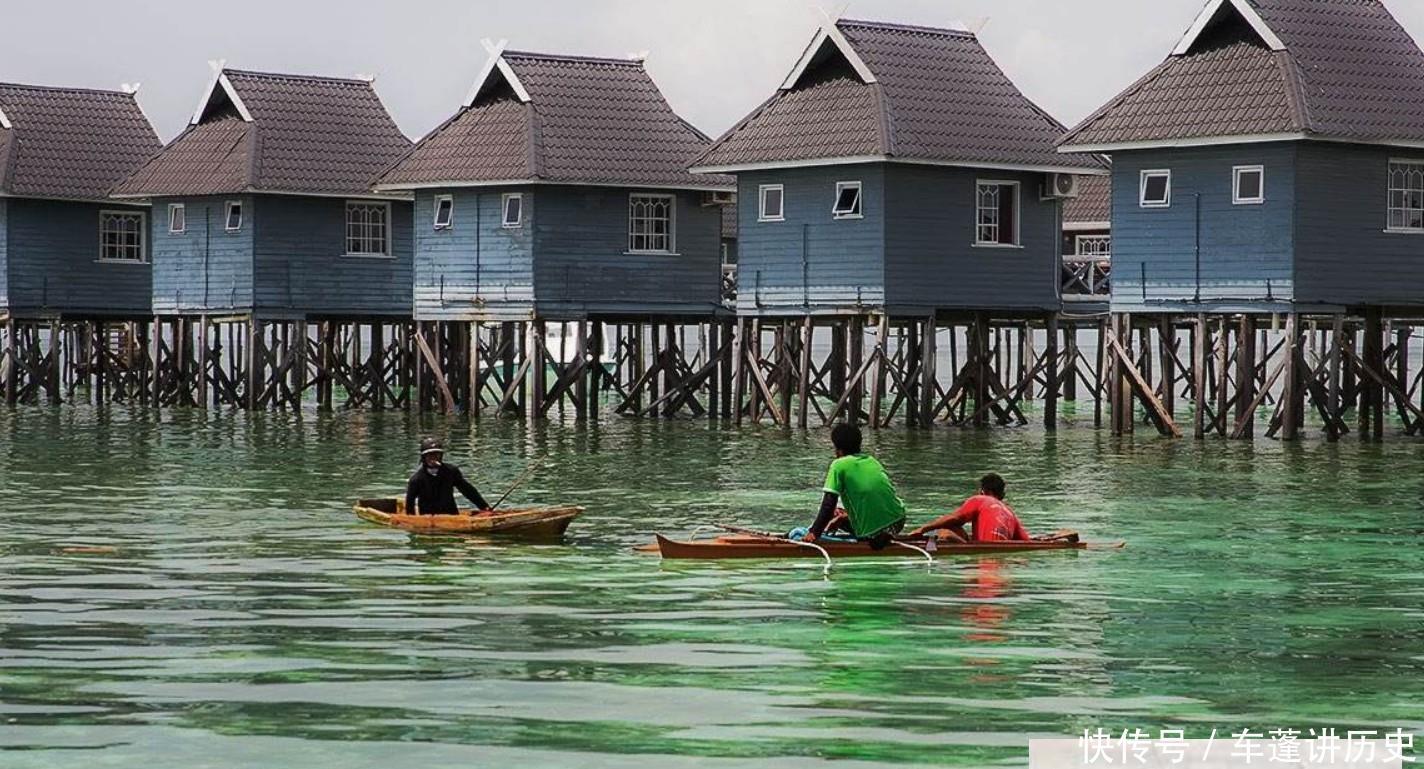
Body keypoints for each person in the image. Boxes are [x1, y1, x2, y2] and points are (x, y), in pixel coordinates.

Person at [802, 423, 907, 548]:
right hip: (898, 521)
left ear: (838, 449)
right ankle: (882, 533)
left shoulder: (838, 465)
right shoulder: (872, 460)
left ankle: (873, 535)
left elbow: (828, 504)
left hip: (873, 530)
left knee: (835, 513)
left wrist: (814, 533)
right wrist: (844, 518)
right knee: (840, 514)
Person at [909, 473, 1030, 543]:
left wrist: (922, 529)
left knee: (945, 531)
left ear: (982, 491)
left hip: (984, 552)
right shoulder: (1010, 513)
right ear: (1002, 495)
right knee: (958, 531)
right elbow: (1027, 542)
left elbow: (954, 518)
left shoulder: (980, 499)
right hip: (1000, 553)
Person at [404, 438, 492, 515]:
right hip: (429, 519)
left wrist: (484, 507)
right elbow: (410, 504)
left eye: (437, 454)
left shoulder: (451, 471)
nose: (434, 458)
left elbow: (467, 490)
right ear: (424, 457)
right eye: (430, 455)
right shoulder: (416, 479)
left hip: (452, 515)